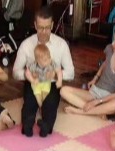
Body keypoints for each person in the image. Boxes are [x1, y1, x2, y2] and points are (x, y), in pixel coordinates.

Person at [13, 6, 75, 137]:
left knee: (50, 105)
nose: (44, 31)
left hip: (51, 83)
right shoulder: (26, 44)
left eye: (47, 27)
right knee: (29, 104)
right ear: (35, 25)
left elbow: (71, 73)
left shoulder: (61, 44)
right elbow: (15, 72)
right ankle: (27, 125)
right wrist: (28, 75)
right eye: (41, 27)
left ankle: (46, 126)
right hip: (33, 82)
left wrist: (55, 74)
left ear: (52, 25)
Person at [60, 28, 115, 119]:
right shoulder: (109, 49)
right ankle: (98, 112)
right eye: (113, 40)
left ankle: (80, 111)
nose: (113, 43)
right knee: (63, 90)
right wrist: (95, 78)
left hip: (110, 99)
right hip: (95, 92)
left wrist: (97, 102)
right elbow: (105, 63)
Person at [26, 43, 63, 108]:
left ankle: (44, 106)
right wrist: (32, 80)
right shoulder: (34, 65)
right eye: (45, 60)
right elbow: (27, 73)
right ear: (37, 60)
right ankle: (41, 106)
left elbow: (59, 71)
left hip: (46, 83)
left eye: (49, 57)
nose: (48, 60)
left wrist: (59, 81)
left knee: (45, 96)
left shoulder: (52, 63)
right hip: (36, 83)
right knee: (38, 97)